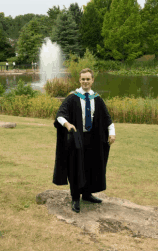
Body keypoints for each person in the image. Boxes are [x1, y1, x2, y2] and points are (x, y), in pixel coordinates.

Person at [53, 68, 116, 213]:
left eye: (88, 79)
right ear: (79, 80)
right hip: (76, 138)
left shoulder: (97, 98)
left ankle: (87, 194)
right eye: (83, 79)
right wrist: (67, 124)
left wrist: (112, 133)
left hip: (93, 139)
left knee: (91, 166)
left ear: (92, 80)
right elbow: (60, 115)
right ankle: (75, 198)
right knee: (76, 167)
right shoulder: (72, 97)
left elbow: (107, 119)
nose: (85, 82)